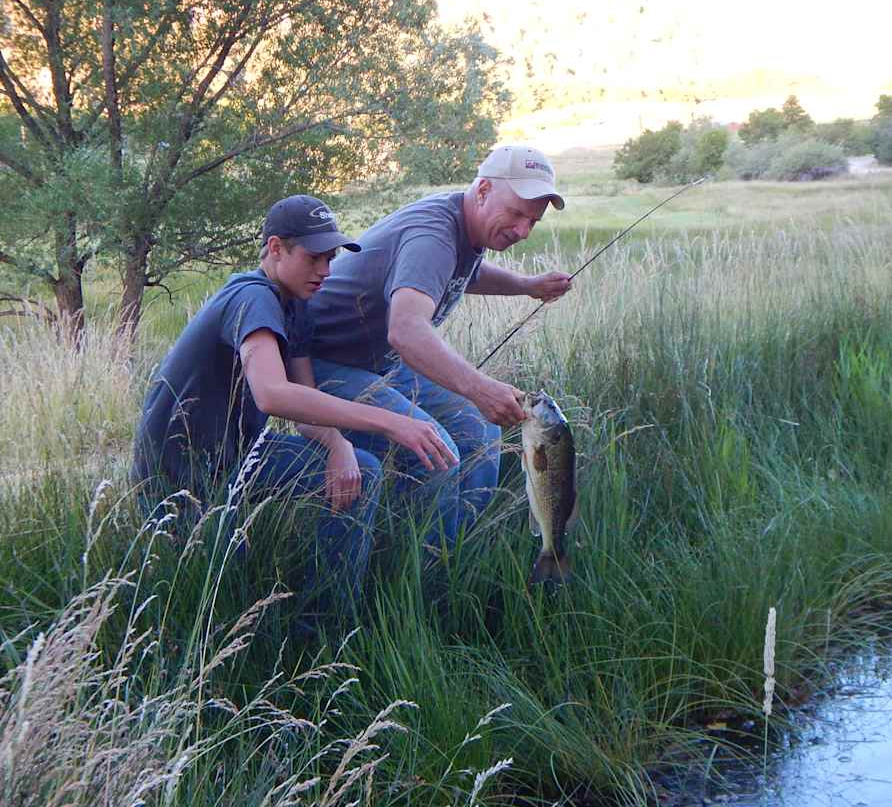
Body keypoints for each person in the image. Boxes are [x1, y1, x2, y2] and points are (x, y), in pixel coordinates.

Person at [131, 195, 457, 595]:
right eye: (314, 257)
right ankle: (313, 625)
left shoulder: (296, 304)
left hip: (240, 451)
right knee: (216, 587)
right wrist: (392, 422)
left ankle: (327, 619)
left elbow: (303, 401)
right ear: (275, 248)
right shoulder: (252, 298)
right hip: (184, 468)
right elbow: (272, 394)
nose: (325, 270)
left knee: (362, 470)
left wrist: (338, 445)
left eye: (331, 258)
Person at [308, 144, 572, 546]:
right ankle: (422, 571)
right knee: (435, 452)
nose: (522, 231)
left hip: (380, 363)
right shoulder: (433, 234)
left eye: (532, 222)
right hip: (321, 365)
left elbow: (466, 271)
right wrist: (481, 388)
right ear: (483, 190)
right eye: (516, 214)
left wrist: (526, 286)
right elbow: (407, 331)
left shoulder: (465, 228)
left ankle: (459, 551)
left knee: (480, 429)